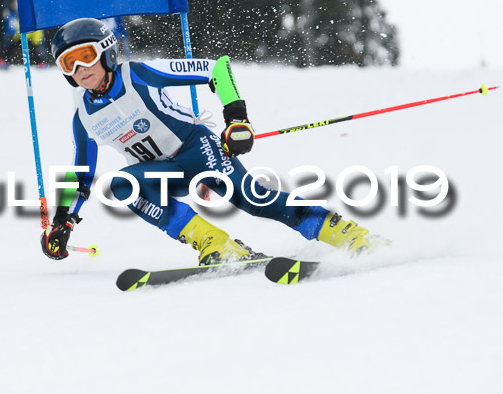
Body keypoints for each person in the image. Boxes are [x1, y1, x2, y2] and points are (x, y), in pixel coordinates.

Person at [40, 18, 372, 264]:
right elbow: (81, 175)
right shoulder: (83, 116)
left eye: (85, 56)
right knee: (122, 185)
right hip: (160, 173)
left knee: (253, 199)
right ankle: (217, 244)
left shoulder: (138, 74)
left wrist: (237, 120)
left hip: (197, 149)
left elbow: (217, 69)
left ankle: (342, 231)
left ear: (106, 52)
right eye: (69, 63)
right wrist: (62, 221)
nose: (81, 68)